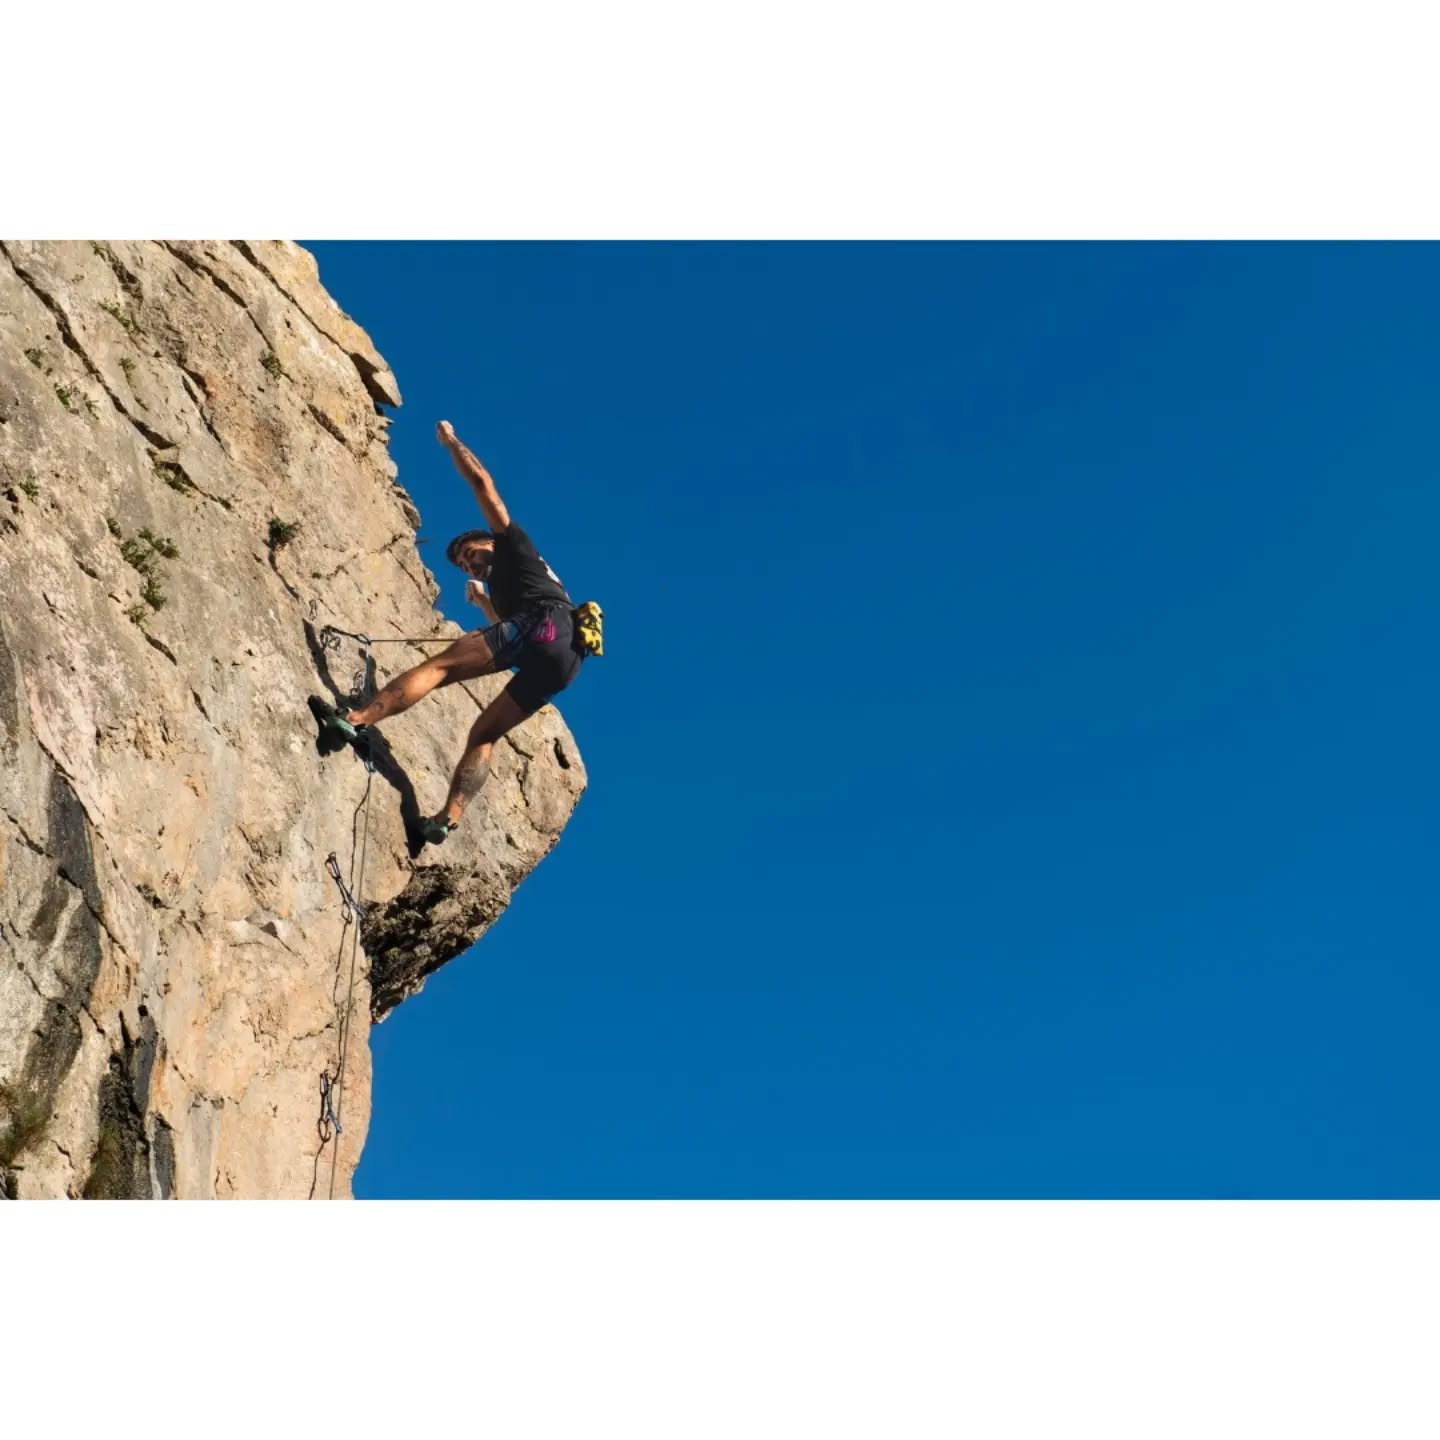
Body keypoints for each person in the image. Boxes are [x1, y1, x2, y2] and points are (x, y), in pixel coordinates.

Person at [310, 421, 592, 844]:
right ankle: (446, 818)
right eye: (462, 564)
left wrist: (451, 442)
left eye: (470, 553)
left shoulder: (512, 544)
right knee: (485, 733)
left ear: (491, 542)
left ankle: (357, 719)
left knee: (441, 667)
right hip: (566, 657)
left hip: (545, 623)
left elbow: (482, 484)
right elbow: (510, 637)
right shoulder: (522, 583)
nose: (468, 563)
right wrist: (483, 603)